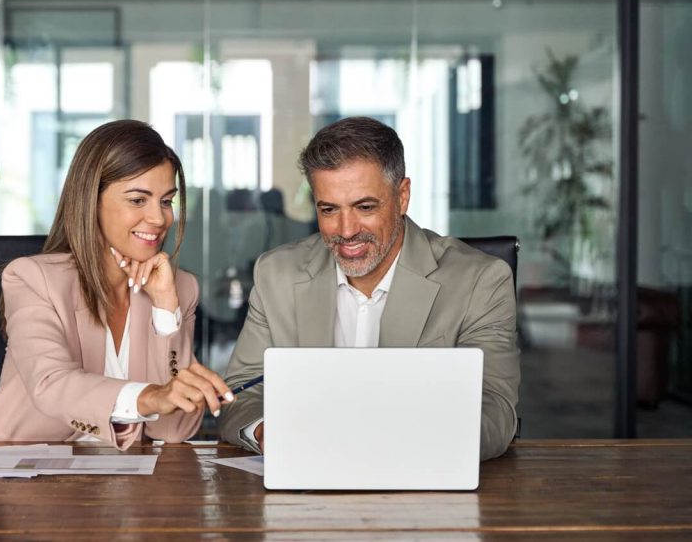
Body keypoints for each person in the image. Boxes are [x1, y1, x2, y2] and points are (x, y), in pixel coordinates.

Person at [218, 117, 520, 461]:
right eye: (329, 209)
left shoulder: (480, 281)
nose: (346, 231)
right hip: (308, 486)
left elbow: (496, 411)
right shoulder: (277, 274)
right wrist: (265, 431)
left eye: (364, 207)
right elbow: (240, 393)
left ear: (402, 196)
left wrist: (392, 444)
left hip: (422, 485)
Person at [0, 120, 232, 449]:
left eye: (166, 201)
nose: (159, 218)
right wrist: (151, 397)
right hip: (11, 466)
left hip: (117, 483)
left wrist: (166, 309)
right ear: (90, 200)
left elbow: (174, 430)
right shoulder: (32, 279)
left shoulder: (179, 287)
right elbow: (51, 384)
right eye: (138, 200)